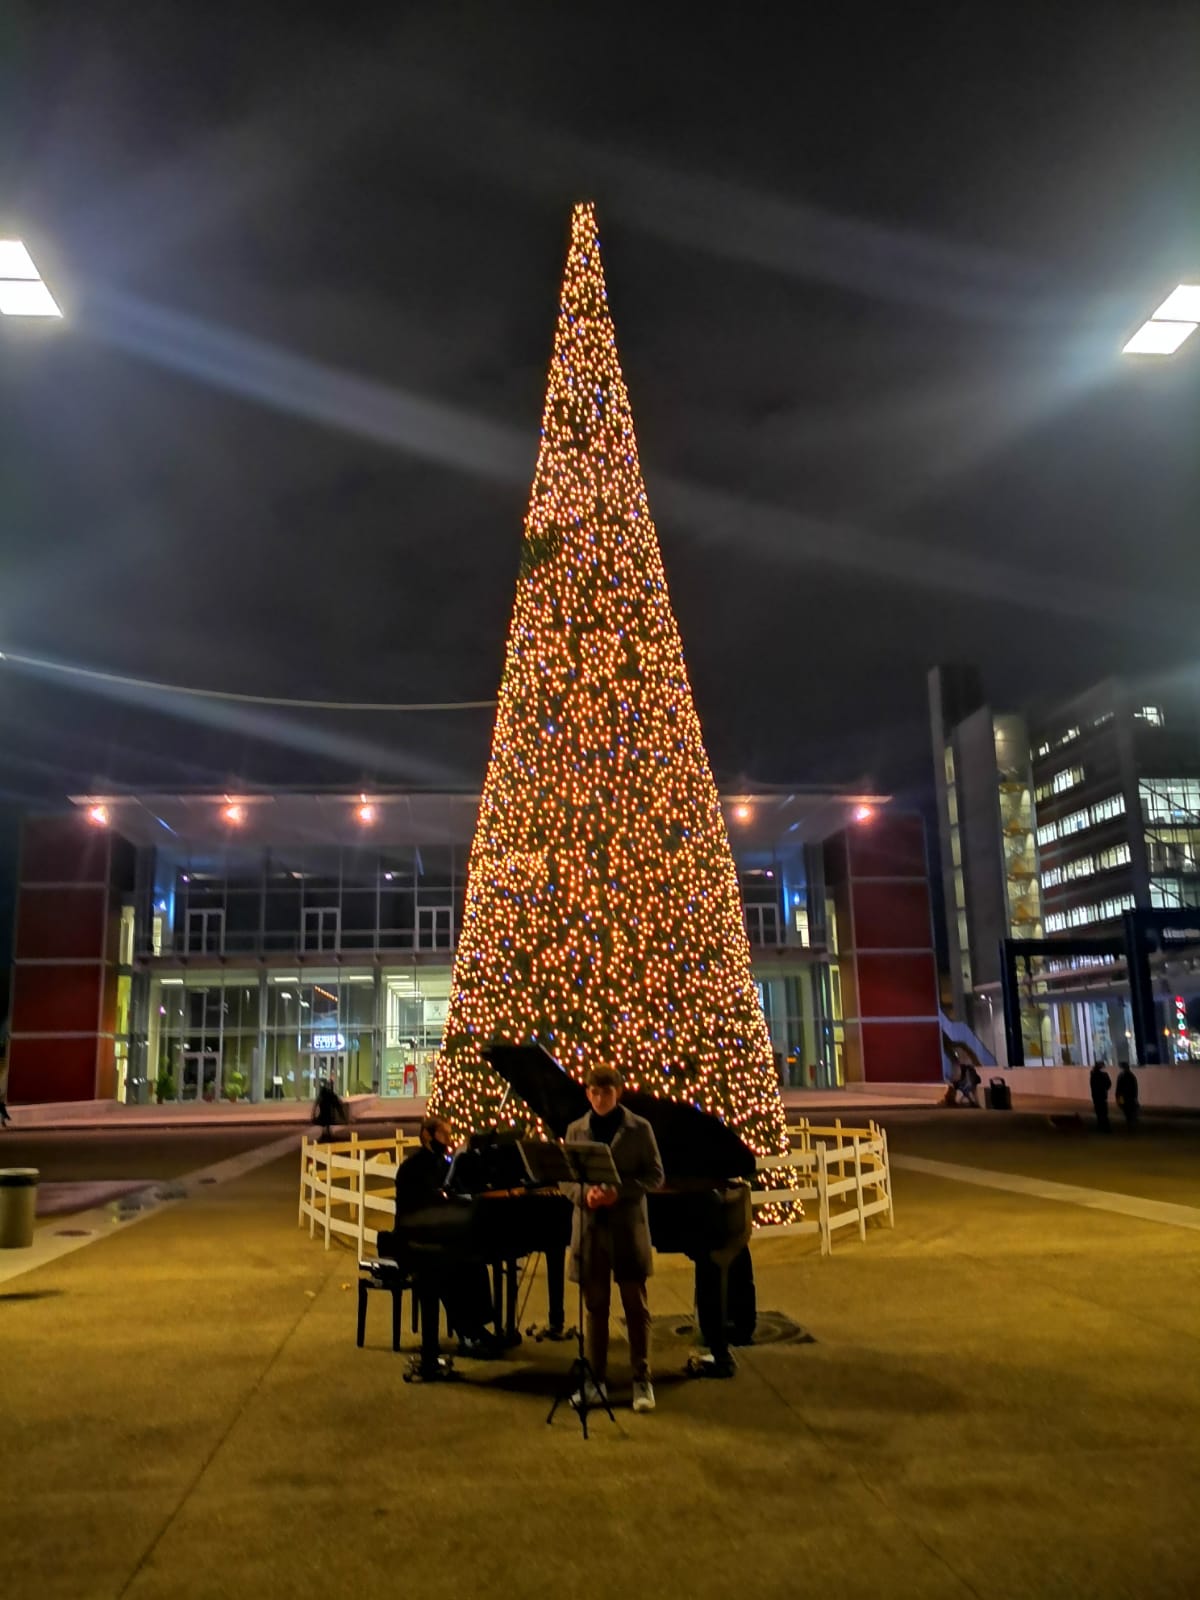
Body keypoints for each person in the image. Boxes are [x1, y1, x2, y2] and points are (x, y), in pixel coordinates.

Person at [565, 1065, 664, 1413]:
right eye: (593, 1091)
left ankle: (642, 1379)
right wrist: (584, 1195)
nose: (599, 1097)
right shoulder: (576, 1129)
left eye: (606, 1091)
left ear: (617, 1092)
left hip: (626, 1228)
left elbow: (655, 1175)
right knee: (595, 1309)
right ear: (587, 1093)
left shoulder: (640, 1129)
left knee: (635, 1307)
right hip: (590, 1231)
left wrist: (617, 1193)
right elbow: (566, 1179)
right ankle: (596, 1381)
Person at [380, 1115, 499, 1360]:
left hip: (436, 1234)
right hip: (411, 1238)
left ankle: (476, 1327)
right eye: (444, 1135)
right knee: (448, 1267)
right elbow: (416, 1208)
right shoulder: (412, 1166)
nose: (448, 1139)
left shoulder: (443, 1164)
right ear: (427, 1135)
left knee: (474, 1261)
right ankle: (466, 1332)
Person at [312, 1079, 347, 1143]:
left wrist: (313, 1113)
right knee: (326, 1123)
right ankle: (326, 1135)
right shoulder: (329, 1094)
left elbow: (317, 1103)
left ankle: (326, 1134)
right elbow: (338, 1105)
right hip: (327, 1113)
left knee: (326, 1123)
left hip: (326, 1113)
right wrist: (342, 1115)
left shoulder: (325, 1094)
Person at [1115, 1063, 1140, 1129]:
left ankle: (1130, 1122)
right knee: (1129, 1110)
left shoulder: (1122, 1076)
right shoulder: (1131, 1076)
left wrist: (1118, 1097)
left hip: (1126, 1096)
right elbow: (1135, 1087)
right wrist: (1135, 1097)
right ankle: (1131, 1122)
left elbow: (1118, 1088)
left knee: (1127, 1110)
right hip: (1129, 1097)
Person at [1090, 1060, 1112, 1132]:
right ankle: (1106, 1127)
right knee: (1104, 1113)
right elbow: (1108, 1085)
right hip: (1102, 1096)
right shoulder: (1104, 1075)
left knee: (1099, 1113)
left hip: (1096, 1097)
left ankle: (1100, 1126)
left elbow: (1092, 1087)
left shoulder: (1093, 1075)